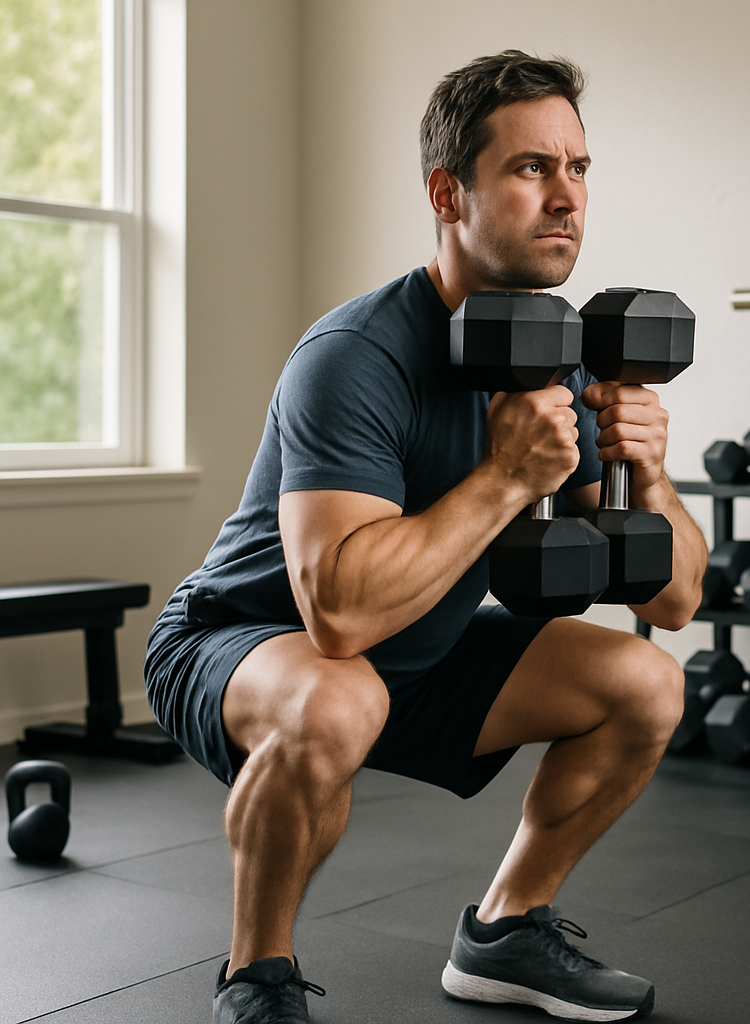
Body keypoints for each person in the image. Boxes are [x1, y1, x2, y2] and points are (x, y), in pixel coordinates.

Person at [145, 49, 707, 1024]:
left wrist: (647, 470)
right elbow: (340, 613)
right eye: (532, 168)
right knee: (336, 694)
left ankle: (506, 933)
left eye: (578, 168)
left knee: (646, 682)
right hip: (242, 641)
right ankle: (256, 975)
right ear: (449, 191)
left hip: (416, 651)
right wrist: (504, 480)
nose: (566, 196)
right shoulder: (356, 355)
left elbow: (674, 600)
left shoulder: (548, 357)